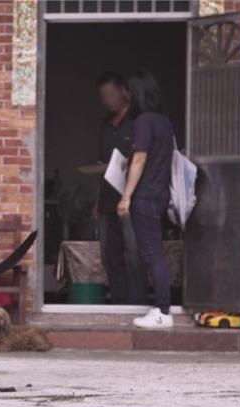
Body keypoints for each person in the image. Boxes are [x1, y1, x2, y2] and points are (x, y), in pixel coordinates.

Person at [117, 70, 175, 329]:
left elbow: (139, 159)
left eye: (127, 92)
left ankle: (162, 310)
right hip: (160, 195)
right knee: (155, 252)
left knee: (152, 254)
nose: (124, 97)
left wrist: (126, 196)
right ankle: (161, 309)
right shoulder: (164, 122)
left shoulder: (143, 121)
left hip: (145, 196)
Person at [94, 71, 147, 305]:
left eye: (110, 94)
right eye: (103, 96)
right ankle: (118, 301)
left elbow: (143, 160)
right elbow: (102, 166)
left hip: (131, 199)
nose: (107, 100)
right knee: (109, 254)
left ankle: (137, 302)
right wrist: (96, 202)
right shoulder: (105, 124)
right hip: (107, 199)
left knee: (134, 252)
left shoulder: (139, 122)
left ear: (124, 91)